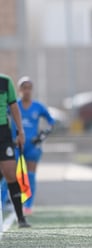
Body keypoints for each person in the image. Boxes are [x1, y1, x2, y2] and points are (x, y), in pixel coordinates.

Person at [10, 76, 55, 215]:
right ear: (19, 90)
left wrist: (43, 136)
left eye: (29, 88)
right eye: (24, 88)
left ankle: (28, 205)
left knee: (30, 175)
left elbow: (51, 121)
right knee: (11, 174)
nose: (27, 91)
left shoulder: (38, 106)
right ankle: (7, 201)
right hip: (16, 144)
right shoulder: (13, 105)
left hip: (32, 146)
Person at [0, 73, 30, 228]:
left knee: (11, 173)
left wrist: (20, 131)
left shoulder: (5, 82)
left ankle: (21, 218)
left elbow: (13, 106)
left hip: (3, 133)